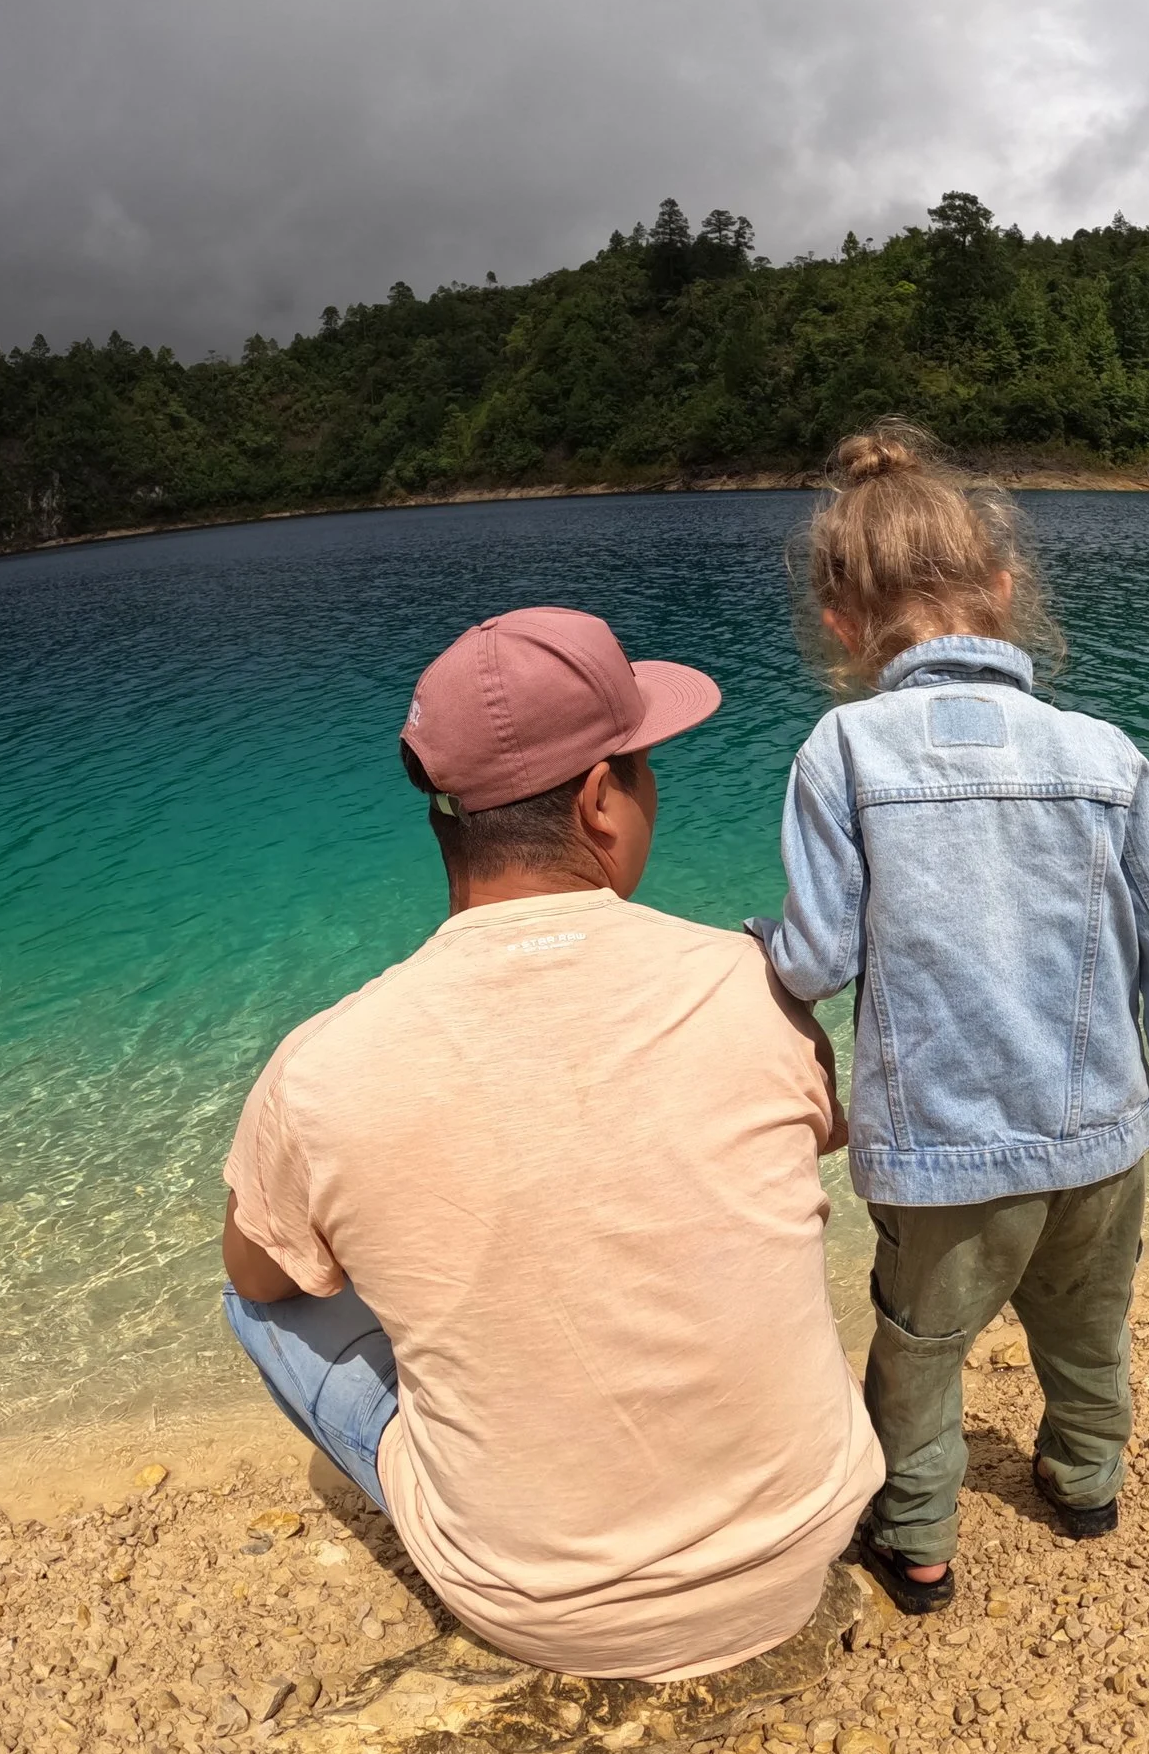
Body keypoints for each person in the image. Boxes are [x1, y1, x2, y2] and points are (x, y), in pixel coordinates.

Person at [218, 606, 881, 1680]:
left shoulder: (323, 1066)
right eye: (646, 768)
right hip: (806, 1537)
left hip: (542, 1611)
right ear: (599, 798)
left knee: (259, 1287)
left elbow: (260, 1278)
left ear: (443, 820)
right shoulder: (752, 987)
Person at [751, 424, 1149, 1615]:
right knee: (1089, 1330)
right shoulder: (1103, 753)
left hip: (943, 1154)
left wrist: (745, 957)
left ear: (840, 624)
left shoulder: (842, 749)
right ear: (1001, 589)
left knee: (920, 1350)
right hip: (1101, 1140)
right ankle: (1085, 1484)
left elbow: (818, 956)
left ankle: (918, 1542)